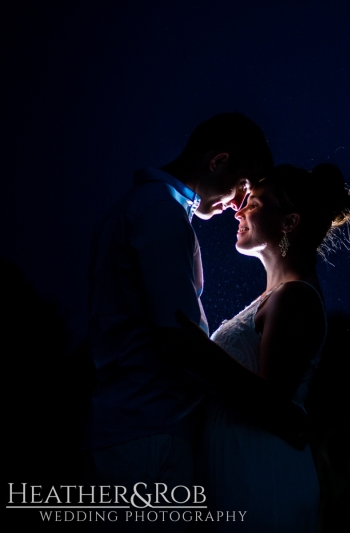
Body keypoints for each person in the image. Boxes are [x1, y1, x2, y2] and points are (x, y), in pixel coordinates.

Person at [84, 112, 306, 532]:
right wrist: (277, 415)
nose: (238, 204)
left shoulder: (137, 209)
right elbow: (178, 337)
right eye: (242, 187)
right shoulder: (160, 213)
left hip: (133, 424)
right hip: (150, 431)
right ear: (217, 160)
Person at [175, 162, 350, 532]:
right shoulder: (275, 297)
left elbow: (273, 404)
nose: (239, 208)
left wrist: (197, 351)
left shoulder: (295, 298)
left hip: (261, 474)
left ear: (289, 223)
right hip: (241, 467)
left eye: (255, 203)